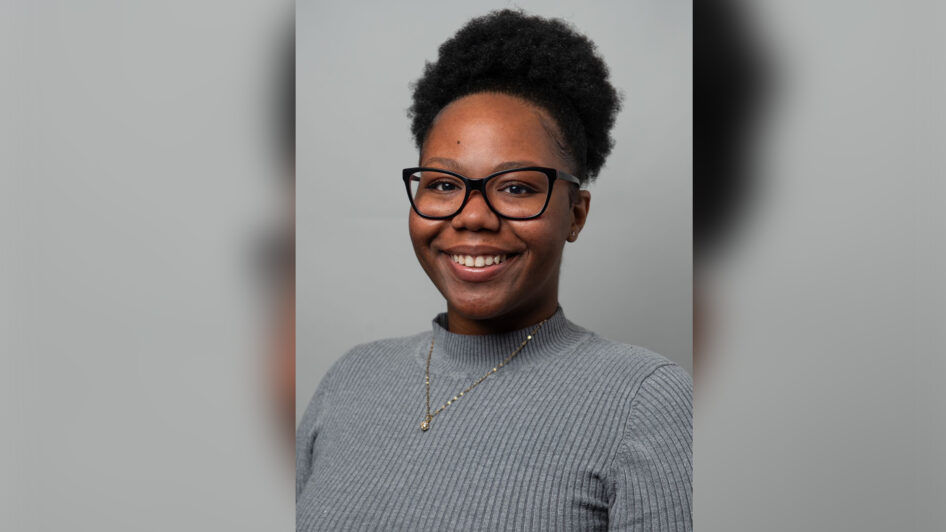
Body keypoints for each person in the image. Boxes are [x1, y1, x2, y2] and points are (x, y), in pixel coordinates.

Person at [297, 10, 692, 531]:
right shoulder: (351, 378)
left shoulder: (645, 400)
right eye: (443, 185)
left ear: (575, 215)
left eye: (517, 187)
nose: (473, 216)